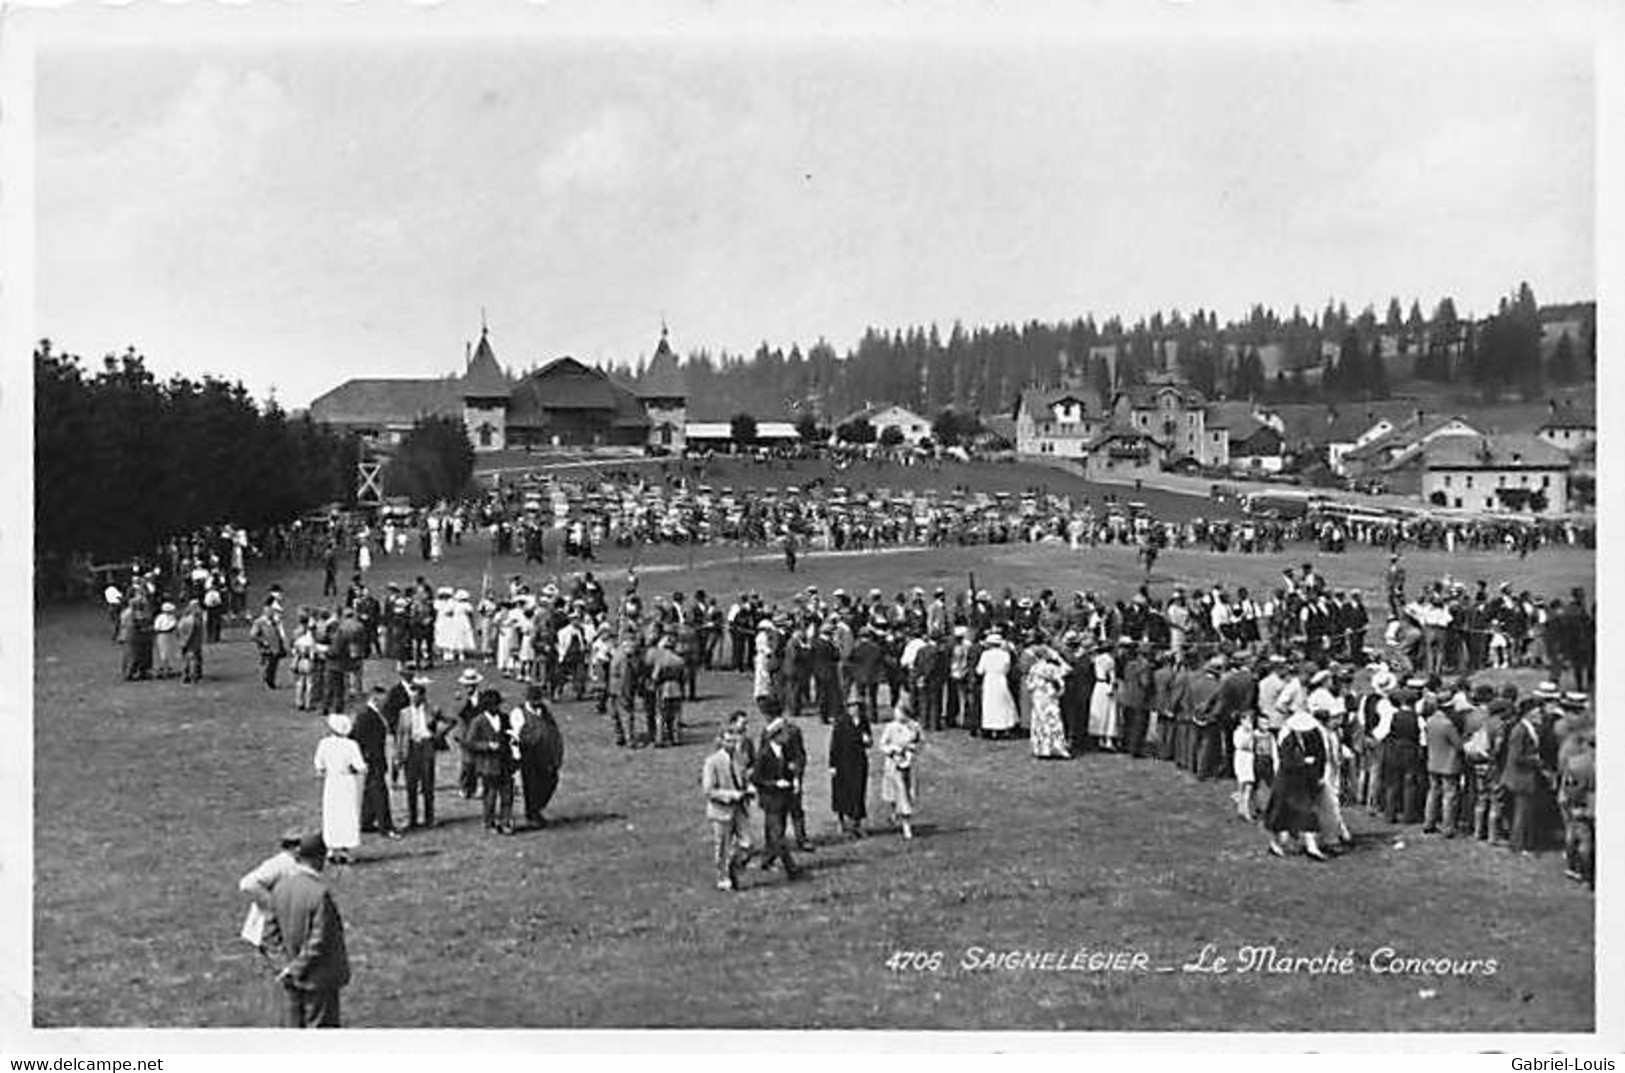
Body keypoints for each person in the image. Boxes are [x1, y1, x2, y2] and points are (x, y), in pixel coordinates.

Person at [262, 833, 351, 1028]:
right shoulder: (319, 894)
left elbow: (269, 935)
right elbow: (319, 940)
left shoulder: (279, 888)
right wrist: (297, 969)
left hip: (288, 982)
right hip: (318, 981)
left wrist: (284, 967)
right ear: (320, 858)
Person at [1265, 707, 1330, 860]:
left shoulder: (1315, 736)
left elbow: (1321, 756)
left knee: (1308, 812)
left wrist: (1319, 775)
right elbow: (1286, 762)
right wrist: (1303, 763)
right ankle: (1275, 844)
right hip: (1287, 781)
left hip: (1304, 782)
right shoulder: (1288, 739)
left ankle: (1312, 847)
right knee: (1279, 814)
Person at [394, 677, 453, 830]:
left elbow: (451, 721)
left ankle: (429, 818)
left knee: (428, 784)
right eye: (411, 696)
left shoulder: (432, 709)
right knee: (411, 785)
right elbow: (400, 735)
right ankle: (412, 819)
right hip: (411, 748)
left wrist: (439, 734)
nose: (413, 699)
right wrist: (399, 755)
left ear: (422, 696)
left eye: (416, 696)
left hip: (427, 746)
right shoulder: (404, 713)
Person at [750, 714, 803, 881]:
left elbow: (792, 766)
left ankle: (766, 860)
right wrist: (774, 784)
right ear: (776, 735)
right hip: (770, 800)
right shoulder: (764, 754)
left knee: (774, 832)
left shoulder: (785, 751)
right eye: (785, 734)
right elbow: (757, 779)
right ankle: (791, 868)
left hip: (784, 798)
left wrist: (794, 777)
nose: (788, 737)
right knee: (778, 835)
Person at [759, 695, 814, 852]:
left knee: (795, 809)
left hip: (790, 776)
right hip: (773, 779)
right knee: (774, 812)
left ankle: (800, 839)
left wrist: (796, 774)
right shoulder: (766, 732)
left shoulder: (792, 731)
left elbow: (800, 755)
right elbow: (762, 757)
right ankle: (773, 843)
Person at [238, 827, 306, 953]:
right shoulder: (279, 863)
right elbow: (248, 883)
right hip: (271, 928)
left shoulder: (300, 864)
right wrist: (273, 906)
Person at [701, 727, 753, 891]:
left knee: (747, 844)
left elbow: (744, 779)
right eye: (729, 741)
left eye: (735, 741)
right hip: (721, 811)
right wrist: (730, 795)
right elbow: (708, 790)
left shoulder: (740, 759)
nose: (732, 744)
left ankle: (734, 868)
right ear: (721, 741)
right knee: (723, 847)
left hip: (739, 809)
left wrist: (749, 788)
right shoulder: (712, 761)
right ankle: (723, 878)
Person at [350, 686, 401, 840]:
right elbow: (357, 738)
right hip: (372, 760)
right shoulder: (366, 716)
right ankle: (386, 826)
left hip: (374, 759)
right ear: (376, 699)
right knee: (380, 792)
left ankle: (366, 821)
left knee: (370, 792)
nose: (386, 703)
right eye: (383, 700)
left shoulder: (372, 714)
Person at [314, 714, 365, 863]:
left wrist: (325, 770)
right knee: (347, 814)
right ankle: (345, 849)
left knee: (332, 814)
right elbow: (360, 766)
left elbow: (319, 764)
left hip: (332, 782)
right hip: (347, 782)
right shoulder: (351, 745)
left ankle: (331, 848)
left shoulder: (324, 744)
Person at [1500, 698, 1548, 855]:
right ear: (1528, 713)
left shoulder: (1528, 728)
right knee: (1522, 812)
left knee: (1525, 811)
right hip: (1520, 777)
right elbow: (1516, 757)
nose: (1540, 714)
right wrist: (1534, 759)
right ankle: (1518, 845)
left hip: (1525, 775)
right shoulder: (1519, 731)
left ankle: (1523, 842)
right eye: (1536, 712)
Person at [513, 684, 565, 828]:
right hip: (529, 755)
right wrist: (516, 755)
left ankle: (537, 808)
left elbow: (553, 730)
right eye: (534, 701)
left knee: (551, 781)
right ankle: (532, 813)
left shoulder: (545, 712)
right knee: (531, 785)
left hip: (546, 754)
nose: (537, 704)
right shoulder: (519, 712)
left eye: (538, 701)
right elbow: (515, 735)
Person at [467, 688, 516, 834]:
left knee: (507, 794)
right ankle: (489, 822)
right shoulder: (478, 721)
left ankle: (505, 821)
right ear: (487, 706)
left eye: (498, 705)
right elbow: (470, 742)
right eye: (494, 705)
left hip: (505, 762)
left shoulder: (504, 718)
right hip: (488, 764)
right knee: (490, 795)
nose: (497, 708)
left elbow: (510, 736)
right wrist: (487, 746)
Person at [879, 696, 923, 840]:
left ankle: (904, 821)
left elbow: (920, 742)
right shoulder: (890, 727)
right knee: (896, 793)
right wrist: (893, 749)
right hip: (893, 765)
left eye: (901, 712)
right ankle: (898, 817)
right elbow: (882, 745)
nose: (898, 715)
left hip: (908, 765)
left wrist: (911, 749)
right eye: (896, 711)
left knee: (905, 794)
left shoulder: (914, 727)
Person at [828, 698, 872, 838]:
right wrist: (832, 765)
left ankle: (856, 824)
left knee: (858, 792)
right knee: (843, 792)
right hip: (843, 762)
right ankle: (842, 822)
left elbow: (869, 741)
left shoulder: (864, 721)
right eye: (852, 706)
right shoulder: (841, 723)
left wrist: (867, 740)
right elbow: (834, 745)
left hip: (859, 762)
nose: (854, 709)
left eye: (857, 706)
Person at [1026, 645, 1071, 759]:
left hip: (1038, 695)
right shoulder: (1051, 667)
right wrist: (1058, 658)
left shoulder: (1034, 668)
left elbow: (1029, 685)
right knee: (1052, 720)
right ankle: (1056, 747)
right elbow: (1068, 669)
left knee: (1040, 720)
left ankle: (1041, 748)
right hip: (1048, 694)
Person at [976, 631, 1018, 740]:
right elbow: (1007, 669)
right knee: (1002, 704)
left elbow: (980, 670)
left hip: (989, 679)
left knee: (989, 704)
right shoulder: (1005, 655)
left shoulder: (985, 655)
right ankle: (1002, 728)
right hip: (1000, 679)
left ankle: (990, 728)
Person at [250, 596, 288, 690]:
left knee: (274, 665)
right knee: (268, 665)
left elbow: (278, 633)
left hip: (275, 647)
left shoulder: (274, 622)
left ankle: (271, 682)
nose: (273, 612)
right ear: (266, 610)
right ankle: (267, 682)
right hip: (266, 648)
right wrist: (263, 641)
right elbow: (253, 635)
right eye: (271, 610)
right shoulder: (259, 622)